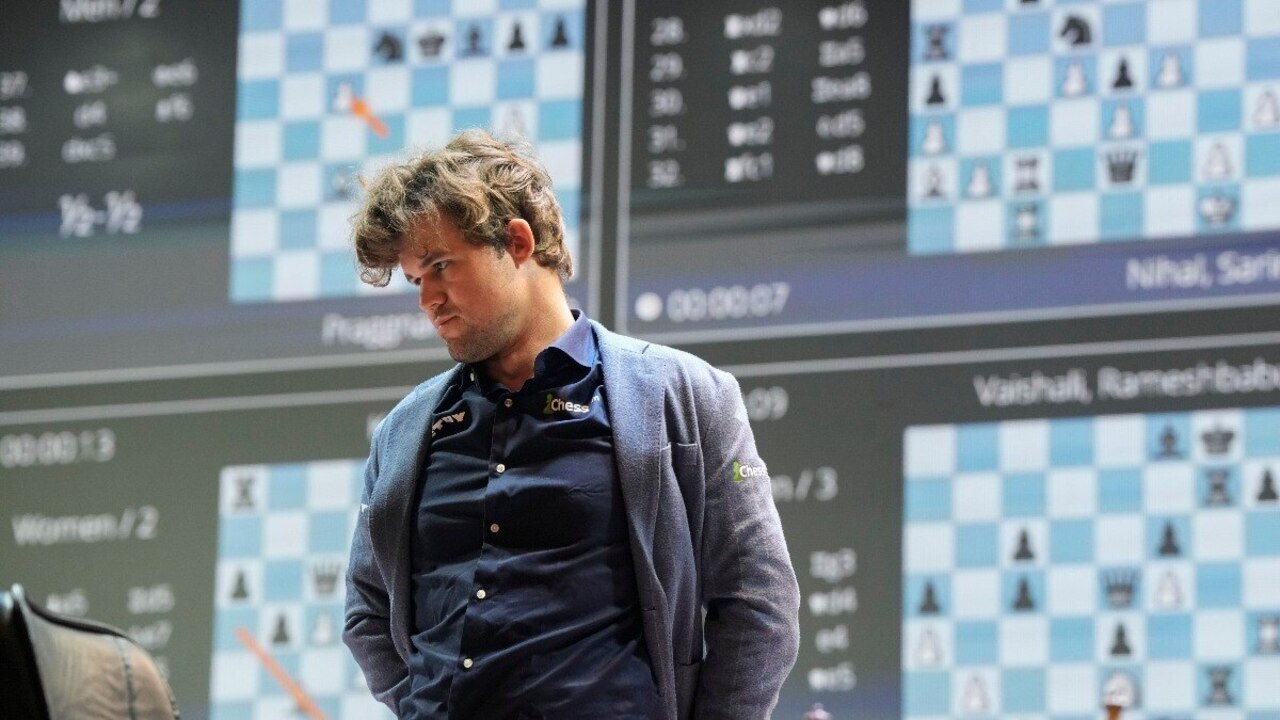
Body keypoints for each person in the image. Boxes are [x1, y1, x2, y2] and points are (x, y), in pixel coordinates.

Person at [343, 129, 800, 719]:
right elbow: (367, 614)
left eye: (440, 267)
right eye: (415, 280)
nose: (426, 299)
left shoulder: (685, 395)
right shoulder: (404, 431)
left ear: (517, 242)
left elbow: (759, 603)